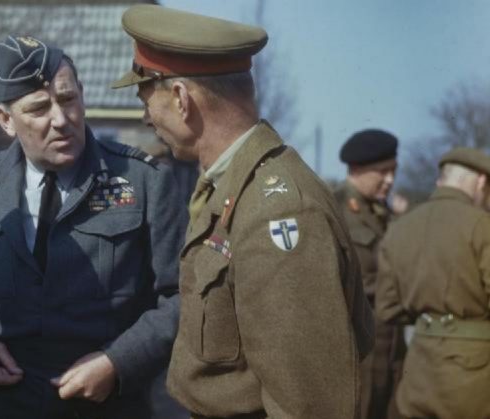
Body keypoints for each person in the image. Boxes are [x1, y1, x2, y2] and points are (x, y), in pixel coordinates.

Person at [112, 5, 374, 418]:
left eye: (147, 99)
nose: (146, 118)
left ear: (181, 99)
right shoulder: (233, 189)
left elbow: (309, 404)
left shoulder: (279, 210)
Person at [0, 35, 185, 419]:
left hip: (107, 405)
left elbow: (183, 295)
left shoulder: (143, 181)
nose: (60, 120)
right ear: (5, 120)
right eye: (39, 108)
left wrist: (118, 362)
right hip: (1, 403)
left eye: (67, 100)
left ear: (82, 94)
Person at [376, 147, 490, 419]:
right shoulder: (482, 225)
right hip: (476, 375)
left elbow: (387, 308)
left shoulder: (400, 228)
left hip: (419, 370)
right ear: (481, 182)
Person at [334, 129, 406, 419]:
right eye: (382, 172)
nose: (390, 180)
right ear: (357, 169)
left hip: (391, 344)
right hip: (358, 346)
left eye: (393, 171)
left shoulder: (383, 213)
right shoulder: (335, 207)